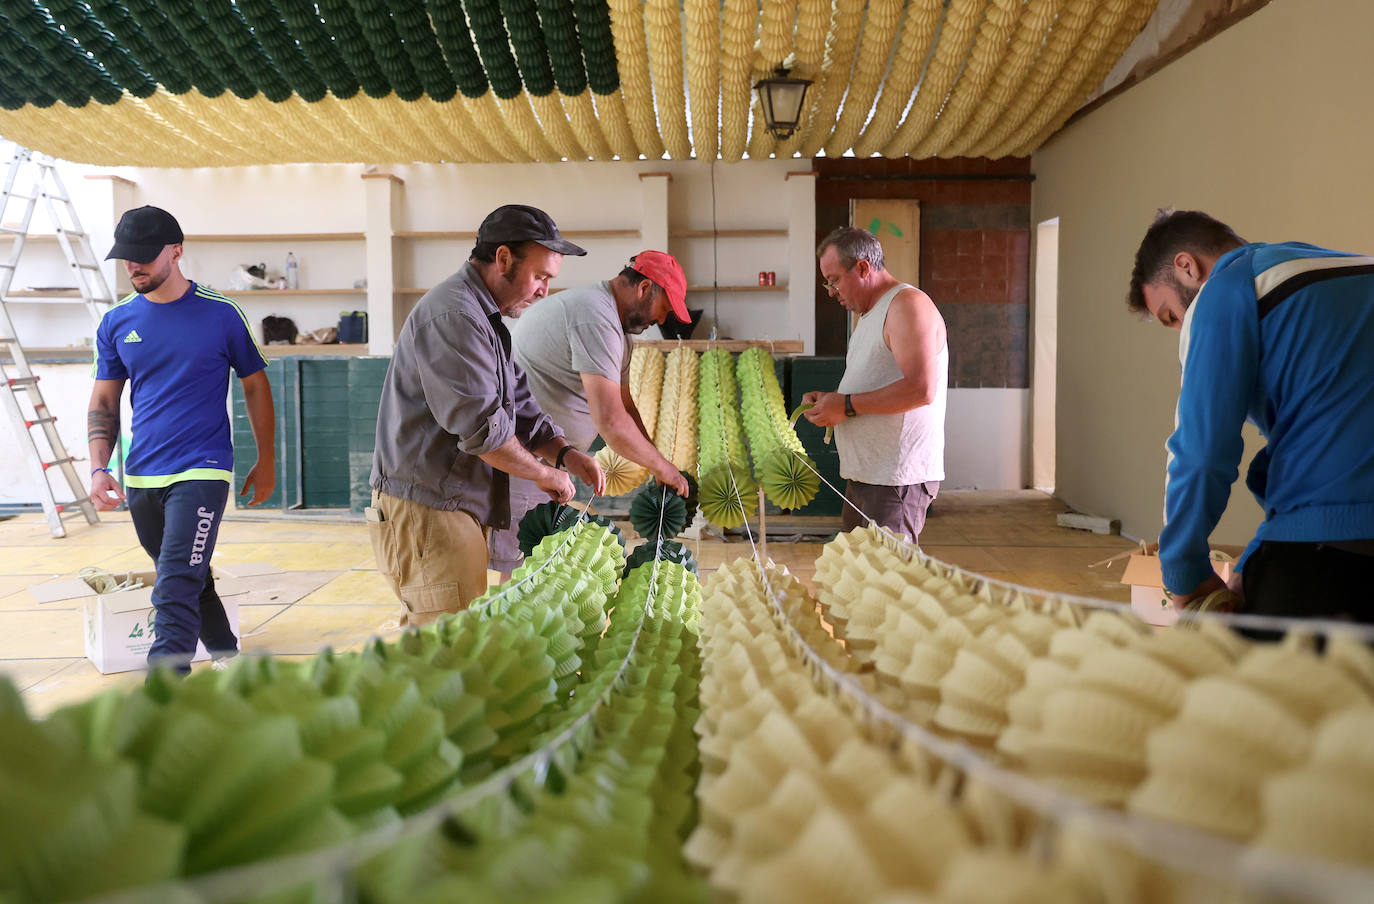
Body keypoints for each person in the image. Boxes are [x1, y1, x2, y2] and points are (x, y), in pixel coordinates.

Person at [1128, 209, 1374, 622]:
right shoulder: (1354, 267)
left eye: (1172, 316)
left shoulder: (1227, 289)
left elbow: (1201, 453)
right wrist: (1253, 562)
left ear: (1186, 267)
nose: (1179, 330)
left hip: (1332, 550)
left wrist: (1184, 574)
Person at [369, 204, 605, 626]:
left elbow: (522, 405)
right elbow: (485, 432)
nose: (544, 291)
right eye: (541, 277)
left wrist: (565, 454)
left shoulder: (485, 317)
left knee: (458, 637)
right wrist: (544, 474)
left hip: (453, 504)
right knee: (445, 645)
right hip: (428, 509)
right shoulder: (456, 316)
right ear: (503, 260)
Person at [89, 205, 275, 674]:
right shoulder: (116, 323)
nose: (134, 266)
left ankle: (165, 689)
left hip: (203, 469)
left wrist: (266, 458)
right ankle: (230, 659)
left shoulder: (222, 314)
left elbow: (255, 384)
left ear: (176, 251)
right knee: (187, 574)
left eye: (145, 256)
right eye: (126, 257)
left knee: (172, 582)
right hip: (143, 475)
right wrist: (98, 468)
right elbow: (104, 403)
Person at [490, 251, 693, 576]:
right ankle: (509, 627)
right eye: (664, 309)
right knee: (523, 569)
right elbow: (611, 421)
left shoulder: (616, 329)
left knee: (536, 566)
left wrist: (658, 462)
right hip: (526, 453)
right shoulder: (595, 316)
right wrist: (660, 466)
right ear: (644, 289)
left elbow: (625, 405)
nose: (660, 320)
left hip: (552, 456)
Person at [802, 226, 948, 543]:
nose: (830, 291)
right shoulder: (871, 314)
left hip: (895, 479)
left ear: (864, 268)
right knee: (857, 579)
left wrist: (847, 405)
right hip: (867, 475)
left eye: (834, 280)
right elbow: (878, 382)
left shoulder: (907, 305)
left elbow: (921, 389)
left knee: (885, 583)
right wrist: (834, 400)